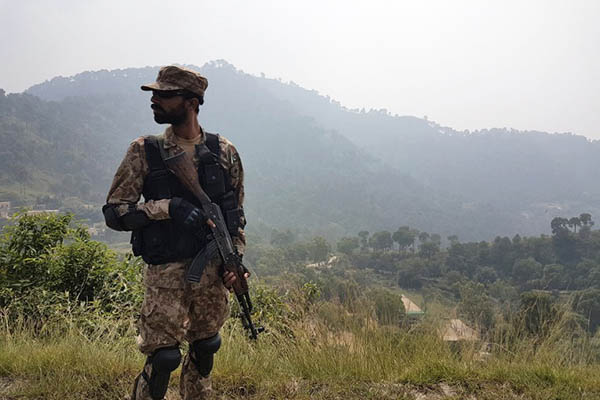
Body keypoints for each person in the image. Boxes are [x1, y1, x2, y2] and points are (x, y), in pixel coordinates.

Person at [103, 65, 247, 400]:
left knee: (206, 348)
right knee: (164, 358)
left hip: (211, 276)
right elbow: (114, 211)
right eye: (155, 94)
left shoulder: (223, 152)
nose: (155, 100)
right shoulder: (145, 151)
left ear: (192, 102)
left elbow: (235, 216)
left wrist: (234, 258)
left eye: (165, 95)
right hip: (164, 276)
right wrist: (166, 208)